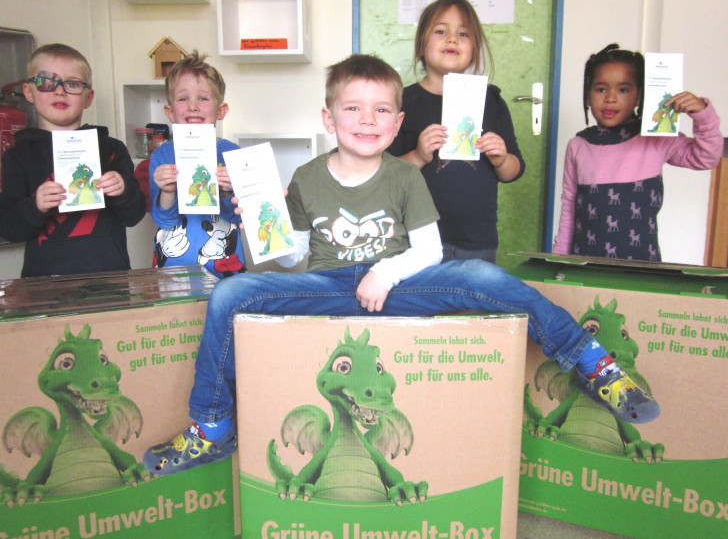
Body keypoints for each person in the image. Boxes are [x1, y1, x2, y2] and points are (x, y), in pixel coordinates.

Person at [143, 54, 660, 477]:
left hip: (398, 283)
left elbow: (429, 250)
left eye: (380, 111)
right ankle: (211, 428)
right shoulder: (304, 176)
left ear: (397, 124)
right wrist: (263, 220)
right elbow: (292, 255)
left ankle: (594, 363)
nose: (366, 121)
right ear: (329, 118)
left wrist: (384, 272)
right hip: (329, 286)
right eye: (352, 109)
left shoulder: (405, 177)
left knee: (483, 277)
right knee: (230, 294)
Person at [387, 0, 524, 264]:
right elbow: (383, 175)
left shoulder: (491, 101)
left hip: (476, 240)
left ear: (474, 48)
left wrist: (501, 158)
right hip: (413, 243)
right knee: (418, 305)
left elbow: (513, 171)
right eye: (441, 31)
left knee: (469, 306)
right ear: (421, 47)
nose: (452, 39)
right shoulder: (403, 102)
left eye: (463, 33)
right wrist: (418, 156)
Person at [553, 43, 722, 261]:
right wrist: (558, 259)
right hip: (584, 264)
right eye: (601, 89)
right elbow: (569, 207)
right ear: (587, 95)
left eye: (623, 90)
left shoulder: (656, 139)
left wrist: (702, 114)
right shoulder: (578, 145)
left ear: (639, 97)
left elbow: (706, 158)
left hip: (641, 265)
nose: (611, 98)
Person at [0, 43, 145, 278]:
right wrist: (35, 205)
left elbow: (134, 215)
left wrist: (123, 190)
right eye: (47, 82)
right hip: (43, 284)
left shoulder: (111, 149)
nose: (60, 91)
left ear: (88, 97)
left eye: (73, 84)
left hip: (110, 279)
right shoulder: (18, 156)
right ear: (29, 92)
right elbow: (9, 227)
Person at [150, 50, 246, 279]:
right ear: (170, 112)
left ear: (220, 110)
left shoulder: (233, 154)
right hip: (173, 264)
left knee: (227, 313)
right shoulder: (161, 156)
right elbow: (164, 219)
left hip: (226, 263)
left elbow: (238, 217)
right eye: (183, 99)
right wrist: (167, 191)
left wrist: (226, 191)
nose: (193, 106)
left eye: (203, 98)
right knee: (173, 316)